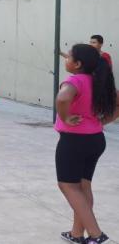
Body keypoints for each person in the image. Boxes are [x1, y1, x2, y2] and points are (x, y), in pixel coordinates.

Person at [55, 44, 117, 244]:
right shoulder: (97, 80)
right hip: (95, 140)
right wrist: (104, 121)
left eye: (69, 57)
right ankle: (76, 233)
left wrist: (65, 117)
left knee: (67, 186)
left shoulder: (73, 80)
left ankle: (96, 235)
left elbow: (63, 98)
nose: (66, 59)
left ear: (77, 64)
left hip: (75, 141)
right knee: (83, 186)